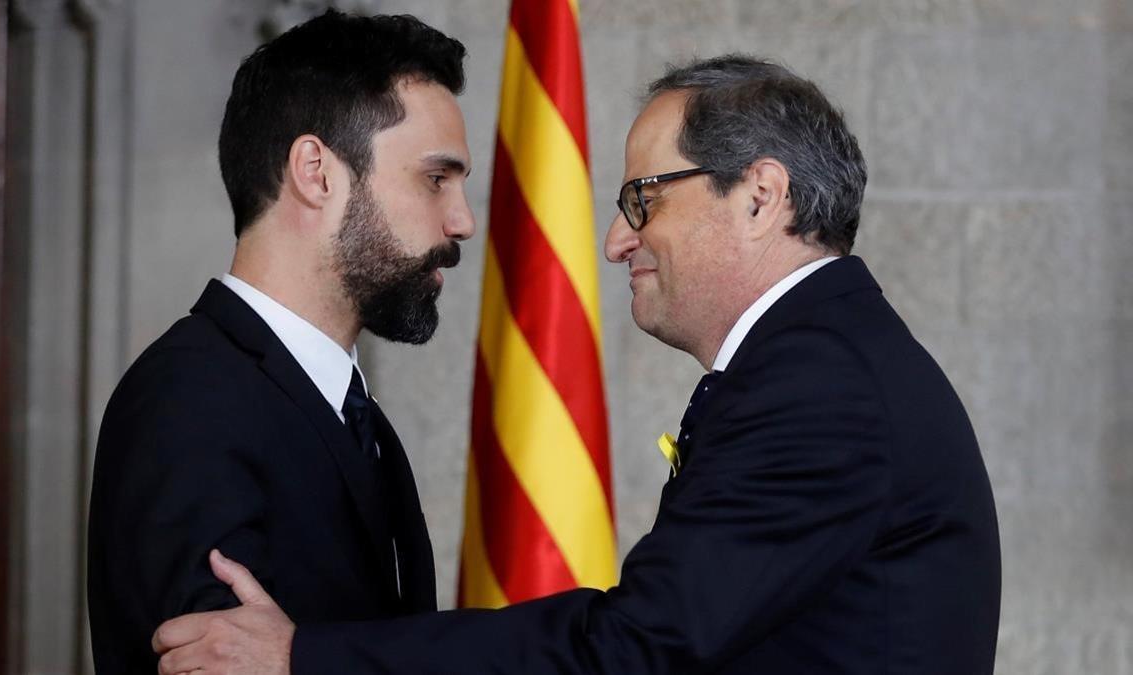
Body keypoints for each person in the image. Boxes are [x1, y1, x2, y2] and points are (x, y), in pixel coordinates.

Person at [152, 54, 1002, 675]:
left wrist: (304, 655)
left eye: (644, 198)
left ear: (759, 194)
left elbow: (636, 647)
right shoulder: (827, 361)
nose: (615, 239)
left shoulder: (820, 386)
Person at [86, 10, 475, 674]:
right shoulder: (188, 402)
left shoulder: (358, 417)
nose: (462, 221)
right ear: (316, 172)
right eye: (435, 178)